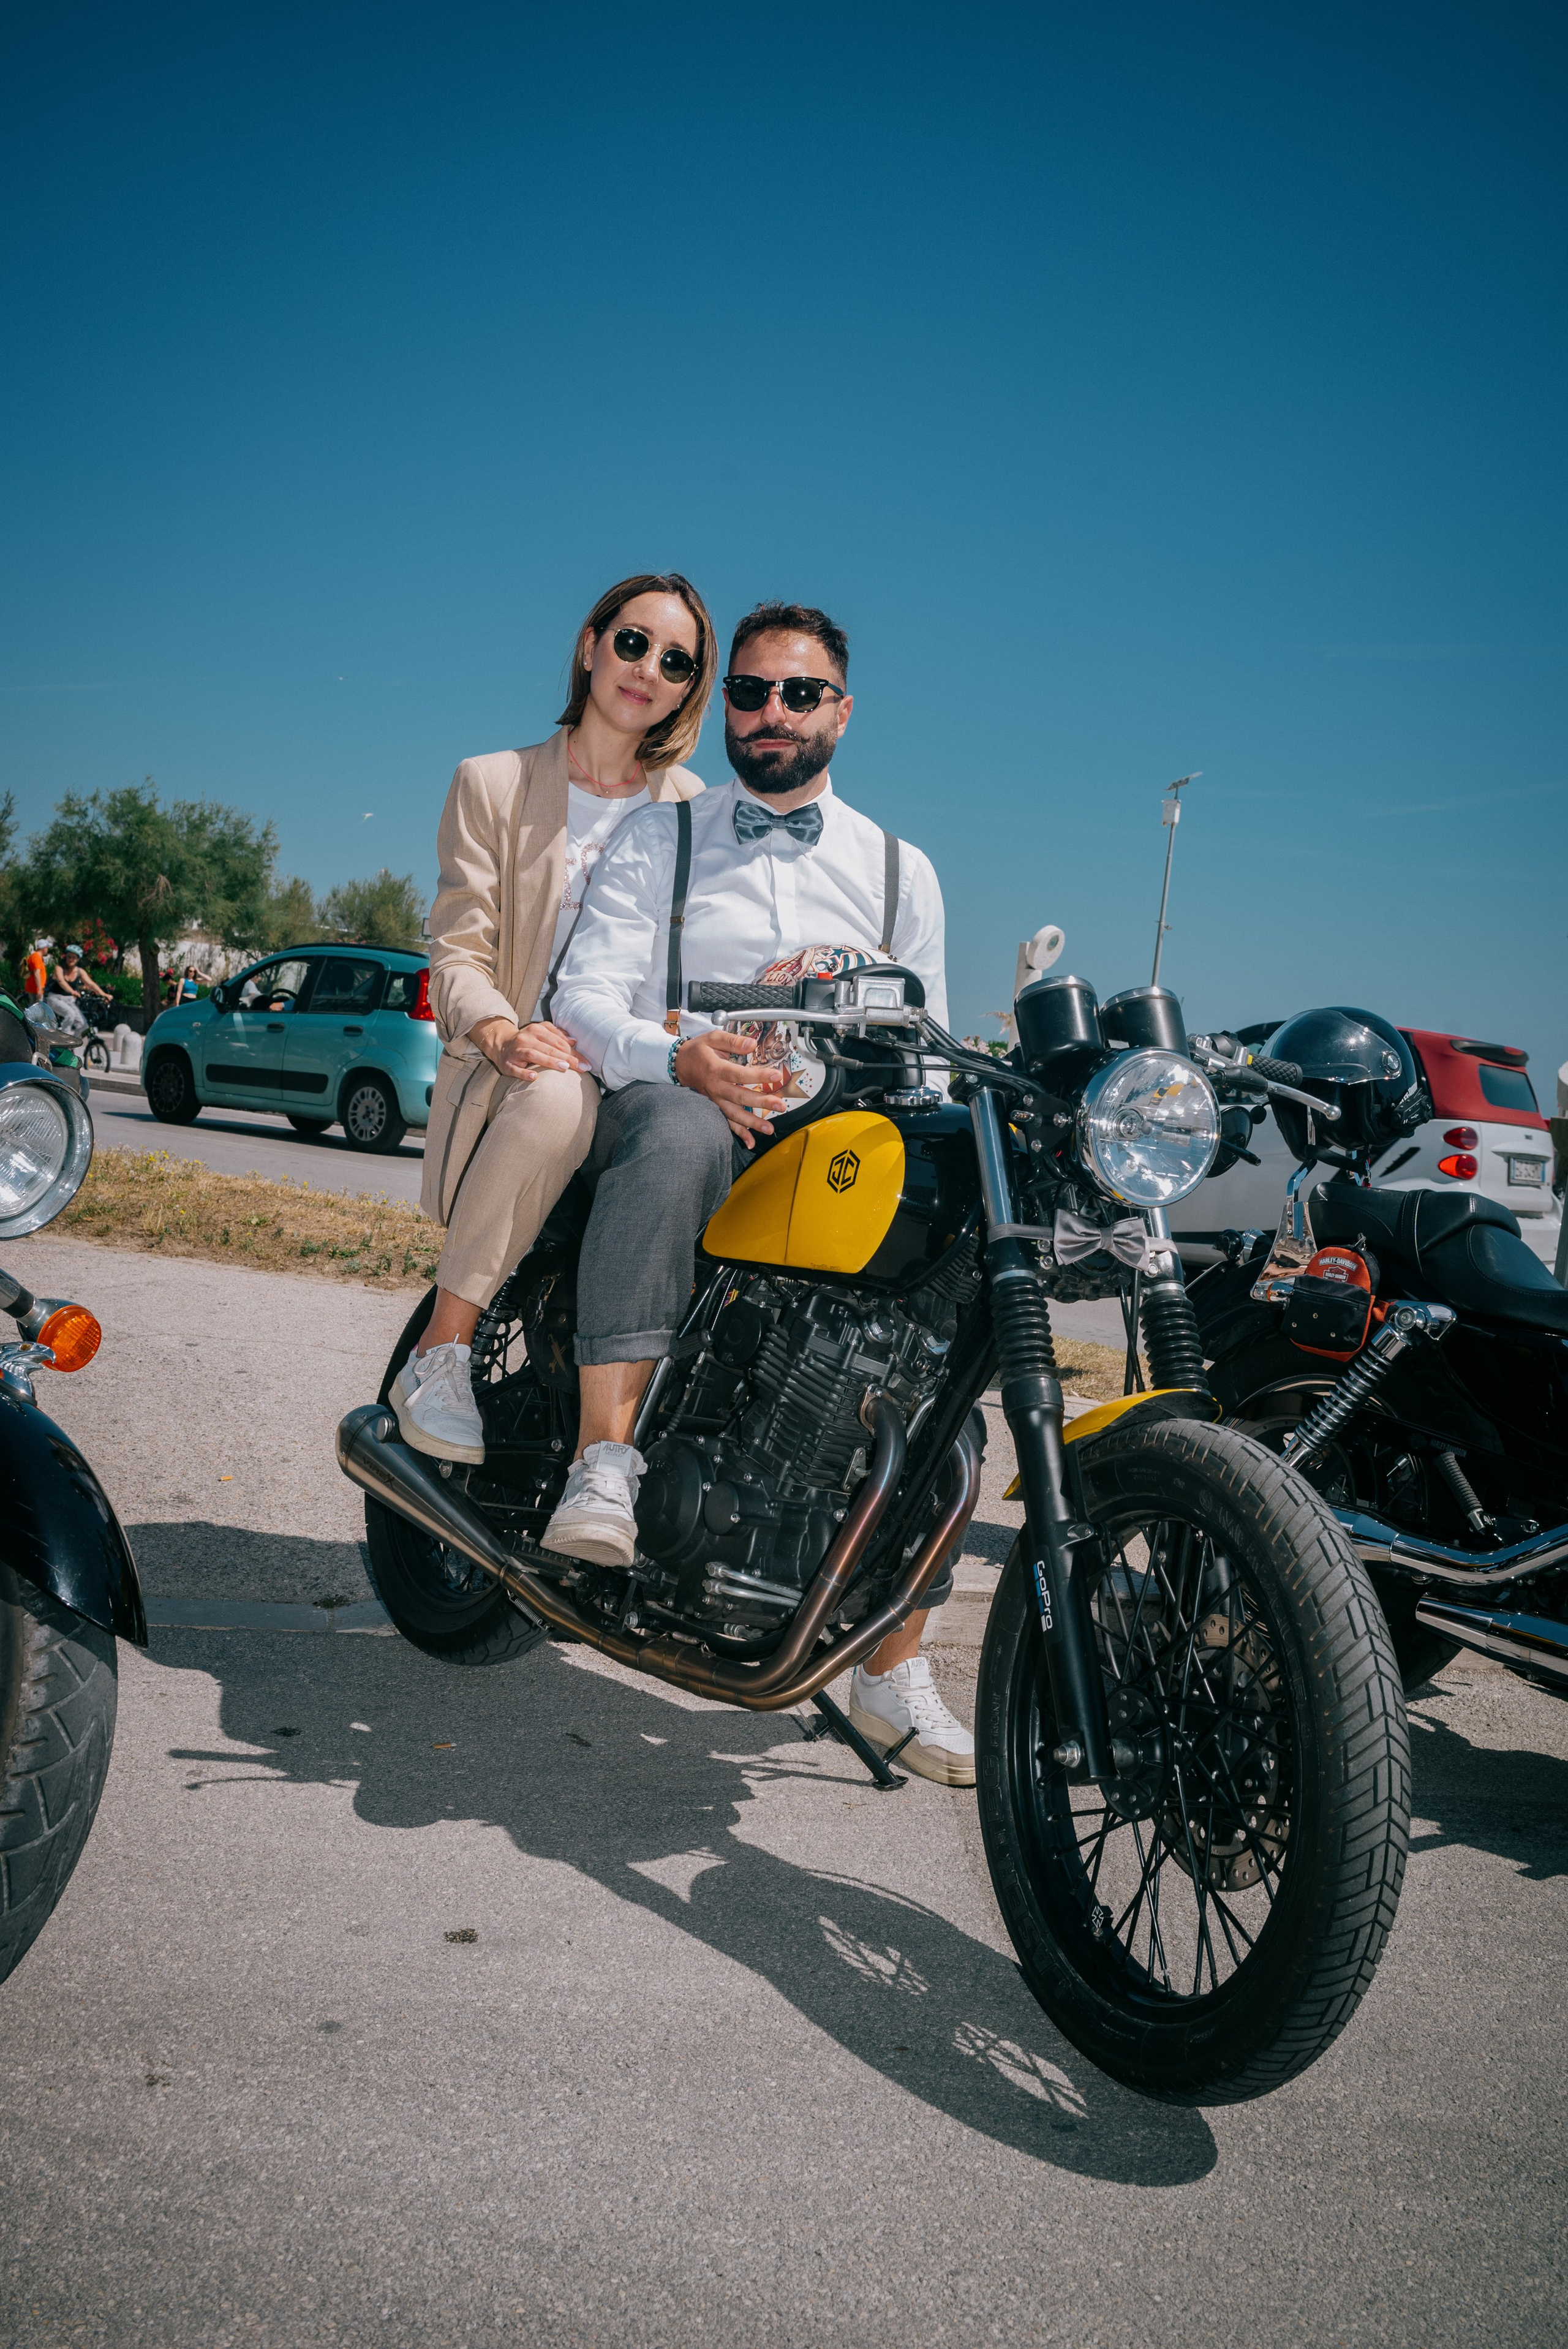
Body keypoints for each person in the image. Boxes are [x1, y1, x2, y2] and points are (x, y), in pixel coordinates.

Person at [545, 601, 976, 1787]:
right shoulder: (659, 837)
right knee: (682, 1133)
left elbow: (927, 1050)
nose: (768, 712)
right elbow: (582, 995)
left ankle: (887, 1660)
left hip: (828, 1135)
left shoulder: (900, 869)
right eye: (746, 692)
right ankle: (605, 1460)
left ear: (840, 709)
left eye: (796, 693)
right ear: (720, 703)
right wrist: (671, 1056)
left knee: (943, 1300)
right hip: (672, 1098)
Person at [390, 571, 715, 1466]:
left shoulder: (697, 814)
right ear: (590, 645)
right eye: (633, 641)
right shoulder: (493, 783)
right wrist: (503, 1032)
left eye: (677, 660)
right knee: (559, 1090)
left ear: (691, 687)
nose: (648, 667)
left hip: (639, 1081)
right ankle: (441, 1349)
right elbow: (458, 951)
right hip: (518, 1081)